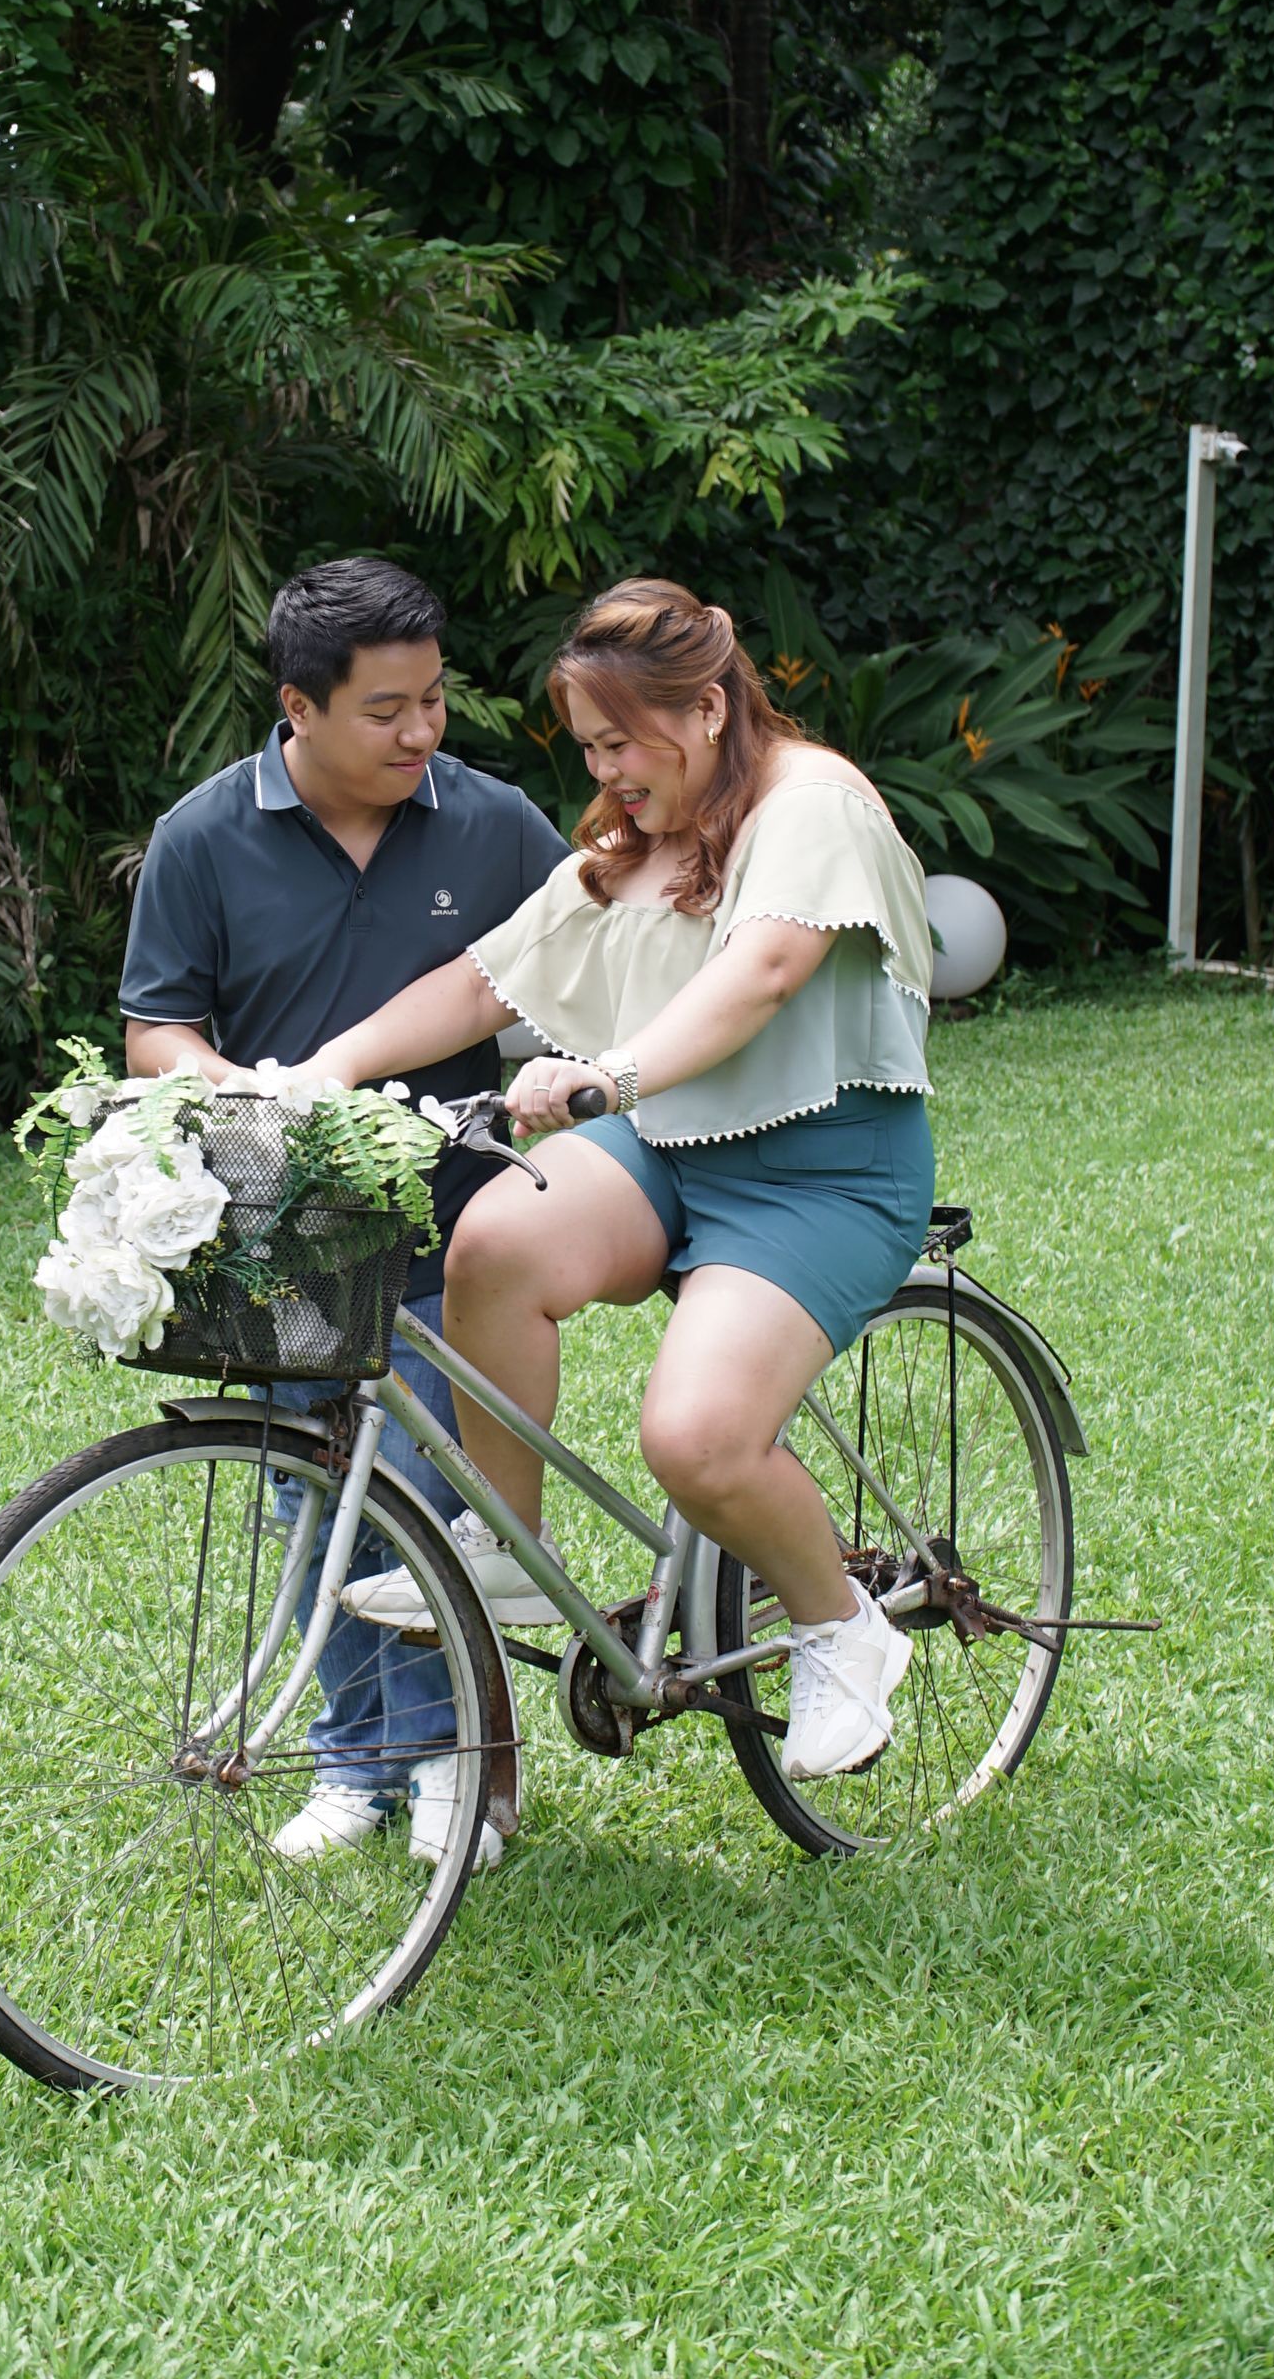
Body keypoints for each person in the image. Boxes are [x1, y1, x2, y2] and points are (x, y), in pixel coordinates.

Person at [293, 576, 936, 1786]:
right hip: (671, 1145)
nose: (605, 771)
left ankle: (840, 1625)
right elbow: (487, 979)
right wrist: (332, 1063)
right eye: (588, 747)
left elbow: (765, 969)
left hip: (821, 1172)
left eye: (621, 742)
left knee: (696, 1439)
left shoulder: (813, 803)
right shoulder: (637, 836)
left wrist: (612, 1072)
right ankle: (507, 1543)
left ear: (706, 709)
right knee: (494, 1239)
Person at [120, 555, 569, 1864]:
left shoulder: (491, 823)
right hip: (285, 1228)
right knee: (312, 1499)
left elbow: (588, 950)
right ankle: (355, 1764)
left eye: (433, 699)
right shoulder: (204, 835)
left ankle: (446, 1767)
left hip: (450, 1227)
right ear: (299, 707)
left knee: (423, 1496)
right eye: (386, 709)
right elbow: (157, 1028)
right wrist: (247, 1098)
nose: (421, 730)